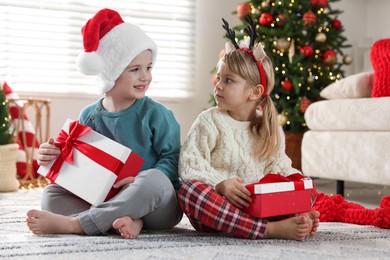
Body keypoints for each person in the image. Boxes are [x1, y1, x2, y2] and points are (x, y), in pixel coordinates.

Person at [26, 8, 183, 239]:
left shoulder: (158, 114)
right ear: (111, 72)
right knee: (51, 195)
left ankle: (78, 224)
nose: (145, 77)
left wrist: (138, 182)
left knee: (155, 181)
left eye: (149, 68)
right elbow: (78, 166)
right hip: (106, 198)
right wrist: (53, 157)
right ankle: (124, 220)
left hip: (155, 205)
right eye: (135, 70)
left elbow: (172, 161)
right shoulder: (89, 115)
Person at [178, 18, 320, 241]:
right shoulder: (209, 121)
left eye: (229, 80)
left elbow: (279, 167)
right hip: (217, 210)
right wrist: (220, 184)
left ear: (254, 92)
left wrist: (300, 190)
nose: (218, 85)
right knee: (189, 191)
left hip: (257, 206)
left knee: (306, 186)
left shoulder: (269, 127)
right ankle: (269, 230)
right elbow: (189, 164)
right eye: (219, 77)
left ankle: (296, 216)